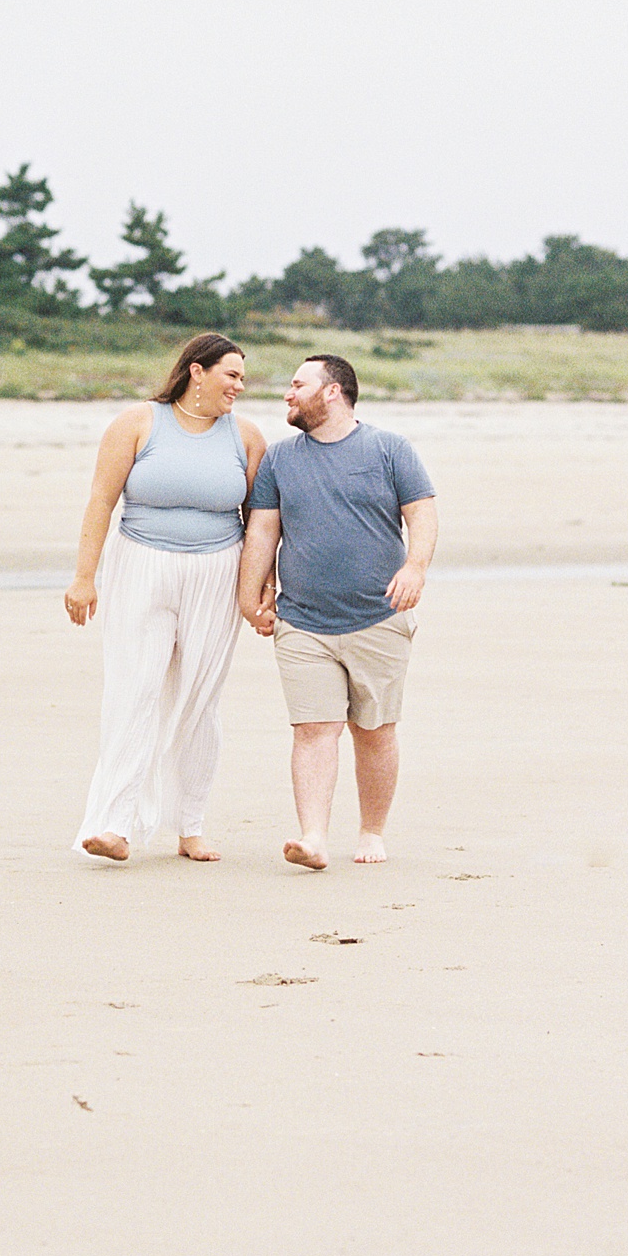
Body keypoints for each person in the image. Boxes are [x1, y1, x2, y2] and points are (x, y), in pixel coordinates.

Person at [66, 333, 267, 863]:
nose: (239, 387)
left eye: (242, 377)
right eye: (231, 374)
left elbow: (260, 524)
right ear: (197, 371)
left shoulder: (245, 437)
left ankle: (190, 825)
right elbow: (100, 502)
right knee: (135, 692)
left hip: (217, 572)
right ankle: (115, 823)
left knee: (199, 700)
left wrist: (258, 588)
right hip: (141, 565)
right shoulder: (137, 424)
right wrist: (85, 577)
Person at [238, 354, 437, 870]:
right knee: (313, 729)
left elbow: (422, 514)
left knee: (374, 732)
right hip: (302, 621)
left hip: (380, 616)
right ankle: (314, 837)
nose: (287, 393)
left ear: (332, 392)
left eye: (298, 384)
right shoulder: (280, 459)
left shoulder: (389, 449)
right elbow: (262, 530)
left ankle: (371, 832)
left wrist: (415, 567)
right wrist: (250, 593)